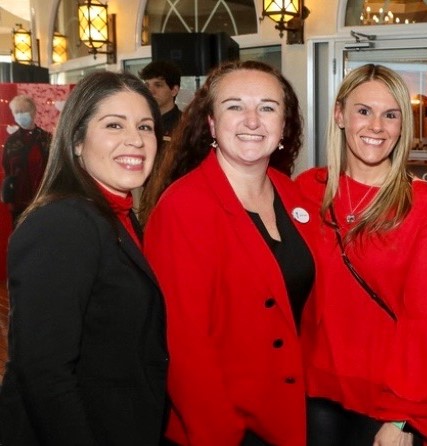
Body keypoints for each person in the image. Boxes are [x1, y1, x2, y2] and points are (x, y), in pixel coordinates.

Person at [143, 60, 315, 446]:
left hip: (286, 414)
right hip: (223, 426)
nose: (252, 120)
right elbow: (183, 347)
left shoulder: (294, 196)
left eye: (268, 107)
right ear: (211, 124)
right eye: (235, 106)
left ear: (284, 125)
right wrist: (221, 434)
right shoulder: (183, 207)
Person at [296, 63, 427, 446]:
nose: (377, 127)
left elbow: (425, 318)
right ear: (340, 115)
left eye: (391, 115)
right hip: (313, 389)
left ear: (403, 126)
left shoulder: (422, 205)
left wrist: (402, 417)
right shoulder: (306, 190)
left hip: (386, 400)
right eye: (363, 111)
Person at [0, 71, 167, 445]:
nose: (135, 140)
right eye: (114, 125)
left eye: (145, 126)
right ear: (76, 141)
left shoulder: (117, 216)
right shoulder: (63, 223)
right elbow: (44, 374)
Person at [2, 94, 52, 223]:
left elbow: (54, 167)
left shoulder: (46, 139)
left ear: (33, 112)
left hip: (43, 198)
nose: (20, 115)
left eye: (23, 111)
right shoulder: (11, 142)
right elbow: (7, 168)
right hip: (18, 200)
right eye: (17, 112)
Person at [139, 59, 183, 143]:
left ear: (174, 90)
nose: (150, 91)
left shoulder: (186, 125)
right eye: (147, 85)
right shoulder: (138, 121)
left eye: (158, 85)